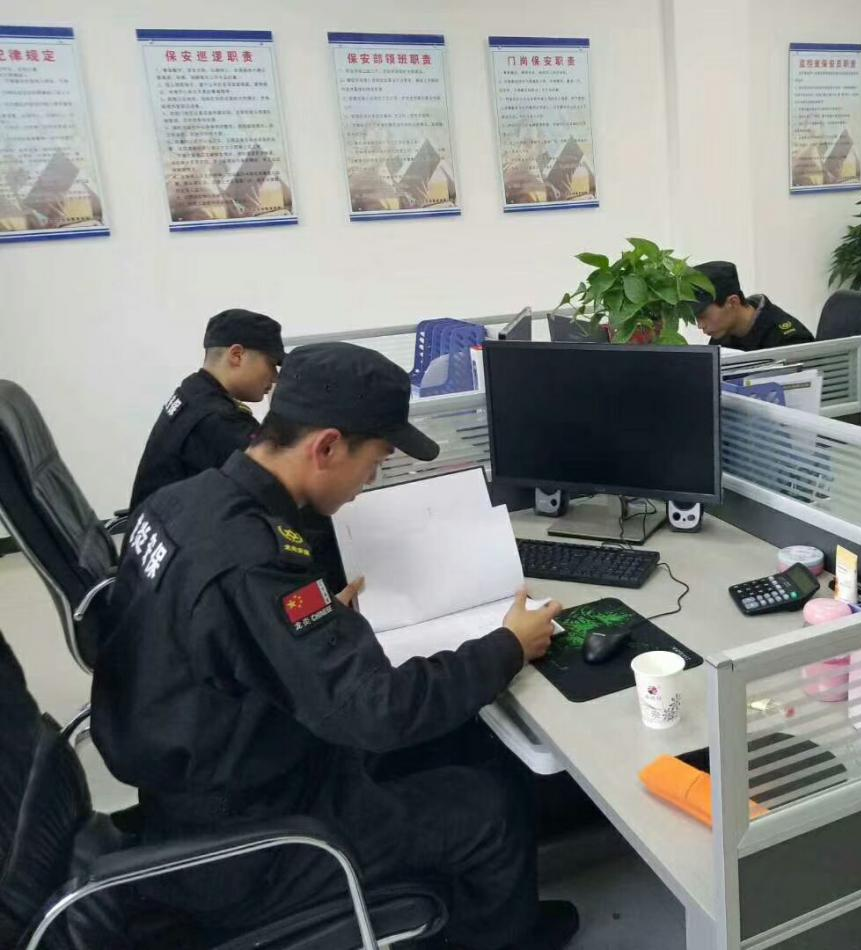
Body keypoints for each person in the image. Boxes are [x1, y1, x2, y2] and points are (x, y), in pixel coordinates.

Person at [92, 342, 578, 950]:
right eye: (373, 462)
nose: (368, 483)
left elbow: (210, 638)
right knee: (488, 807)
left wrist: (306, 629)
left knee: (458, 739)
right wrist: (508, 645)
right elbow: (378, 711)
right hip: (255, 839)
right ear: (325, 447)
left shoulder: (180, 504)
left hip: (200, 779)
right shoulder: (255, 558)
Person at [129, 308, 284, 509]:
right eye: (271, 364)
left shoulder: (192, 391)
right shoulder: (219, 419)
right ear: (236, 355)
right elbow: (279, 478)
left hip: (155, 523)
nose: (275, 377)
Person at [688, 260, 814, 351]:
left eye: (703, 315)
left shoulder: (789, 341)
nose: (700, 325)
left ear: (733, 302)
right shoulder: (722, 333)